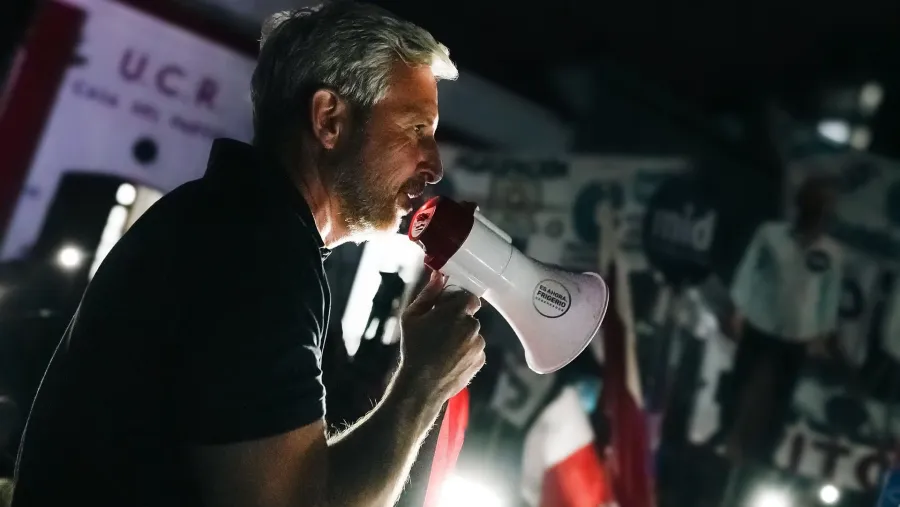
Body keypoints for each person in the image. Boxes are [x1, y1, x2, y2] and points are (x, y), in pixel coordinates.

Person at [12, 3, 485, 506]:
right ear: (329, 120)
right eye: (416, 129)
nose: (433, 165)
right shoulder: (260, 254)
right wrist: (420, 387)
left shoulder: (237, 224)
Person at [711, 175, 842, 461]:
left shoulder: (832, 253)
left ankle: (764, 452)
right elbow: (748, 271)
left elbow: (829, 296)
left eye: (825, 206)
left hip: (799, 331)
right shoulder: (770, 235)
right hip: (761, 321)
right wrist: (738, 310)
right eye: (816, 203)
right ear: (802, 204)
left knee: (782, 396)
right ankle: (725, 432)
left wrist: (823, 332)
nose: (820, 211)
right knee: (740, 381)